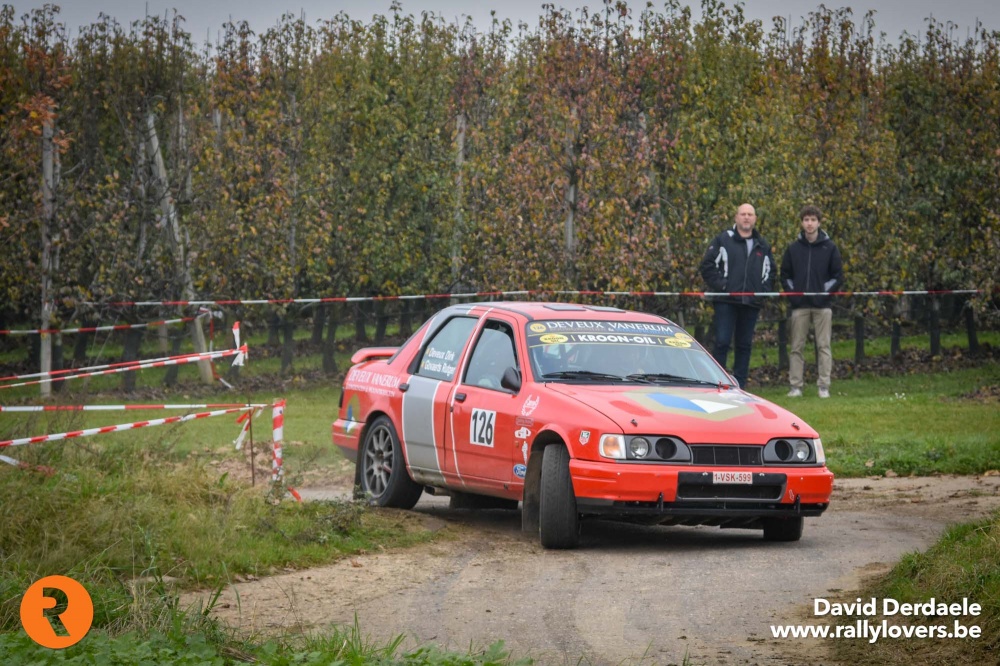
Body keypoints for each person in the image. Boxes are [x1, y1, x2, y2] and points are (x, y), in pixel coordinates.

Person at [699, 203, 775, 389]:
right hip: (726, 301)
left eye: (750, 214)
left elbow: (771, 272)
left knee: (744, 345)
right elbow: (707, 266)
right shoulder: (723, 239)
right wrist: (723, 286)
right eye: (743, 214)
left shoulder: (762, 245)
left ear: (755, 218)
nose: (746, 217)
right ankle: (717, 381)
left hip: (751, 303)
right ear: (736, 217)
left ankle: (740, 384)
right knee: (722, 342)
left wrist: (762, 292)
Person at [780, 205, 844, 399]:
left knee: (823, 346)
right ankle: (796, 386)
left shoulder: (830, 247)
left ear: (819, 222)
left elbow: (838, 276)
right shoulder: (793, 248)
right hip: (799, 306)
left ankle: (824, 386)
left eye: (813, 220)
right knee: (796, 347)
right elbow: (785, 275)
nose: (809, 223)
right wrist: (795, 294)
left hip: (822, 306)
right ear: (802, 222)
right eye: (806, 220)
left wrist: (823, 294)